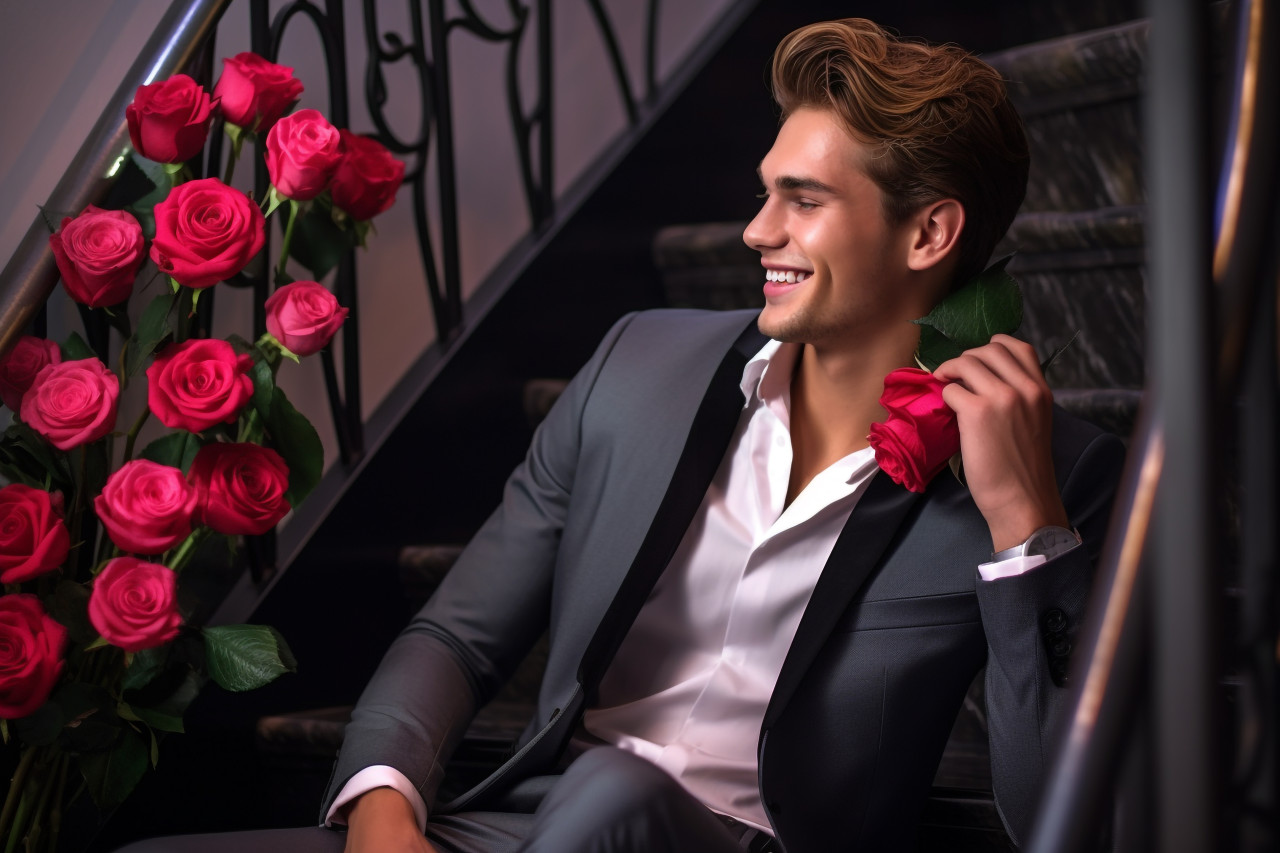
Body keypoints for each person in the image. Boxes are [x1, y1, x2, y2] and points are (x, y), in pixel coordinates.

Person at [119, 16, 1123, 853]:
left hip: (728, 835)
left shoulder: (1054, 472)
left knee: (616, 796)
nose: (754, 231)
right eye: (764, 190)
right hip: (534, 825)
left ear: (927, 235)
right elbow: (456, 636)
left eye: (802, 202)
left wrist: (1023, 529)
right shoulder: (638, 362)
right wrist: (385, 813)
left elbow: (1063, 821)